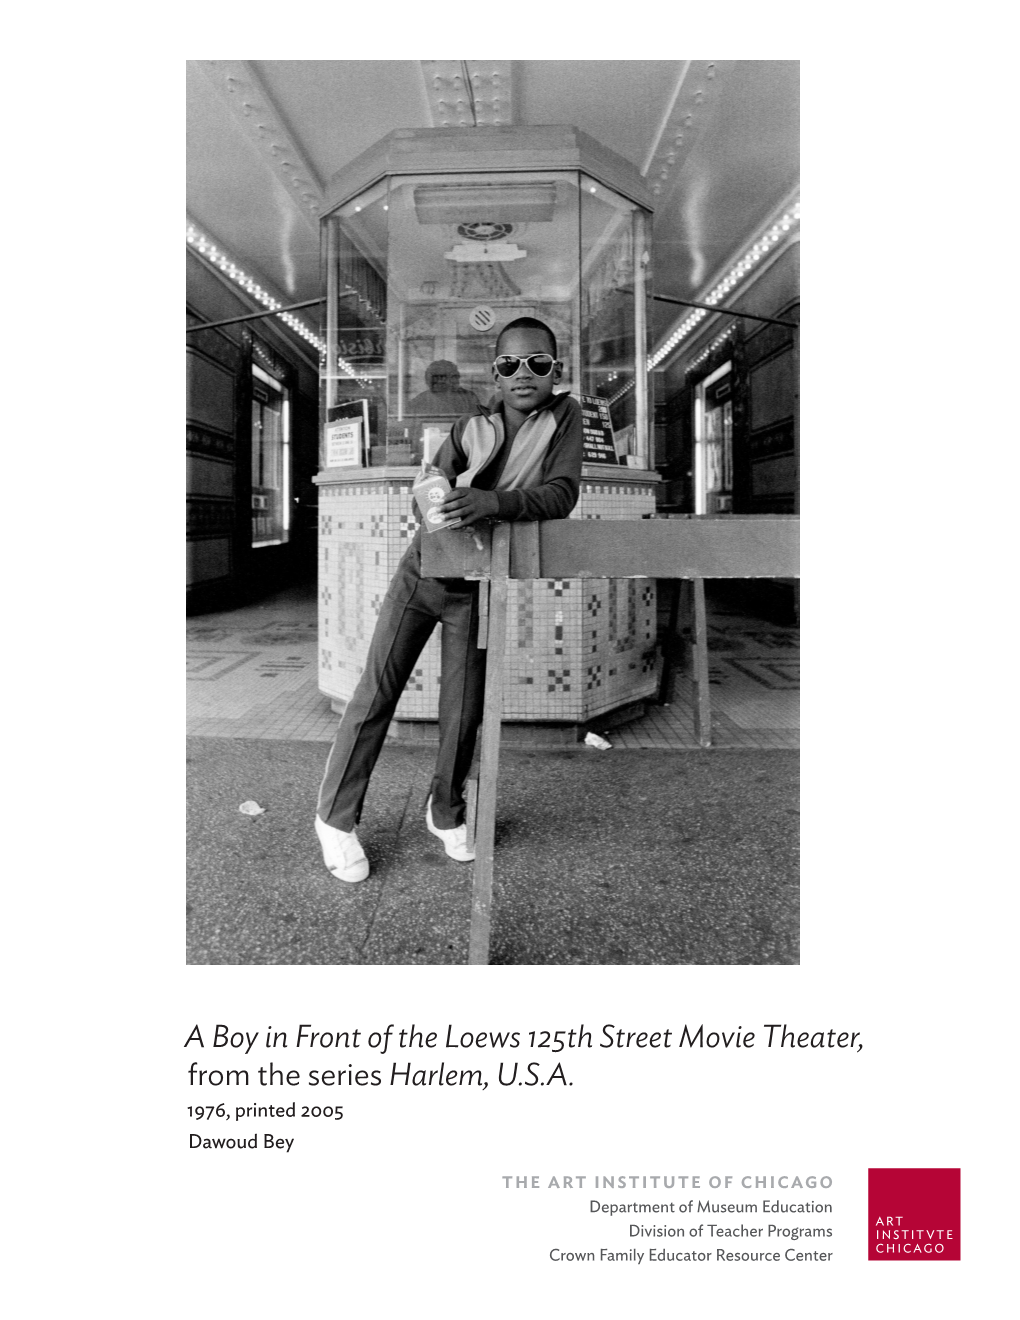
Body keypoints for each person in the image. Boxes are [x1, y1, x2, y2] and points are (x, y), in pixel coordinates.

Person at [315, 317, 584, 881]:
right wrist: (437, 502)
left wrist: (489, 503)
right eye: (510, 364)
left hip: (480, 585)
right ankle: (335, 820)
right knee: (377, 691)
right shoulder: (470, 425)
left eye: (538, 362)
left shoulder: (566, 418)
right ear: (495, 371)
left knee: (462, 712)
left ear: (555, 369)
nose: (523, 374)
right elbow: (430, 486)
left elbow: (561, 495)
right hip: (425, 573)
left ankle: (446, 811)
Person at [406, 359, 481, 417]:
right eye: (436, 378)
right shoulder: (418, 402)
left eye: (456, 376)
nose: (456, 380)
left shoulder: (469, 398)